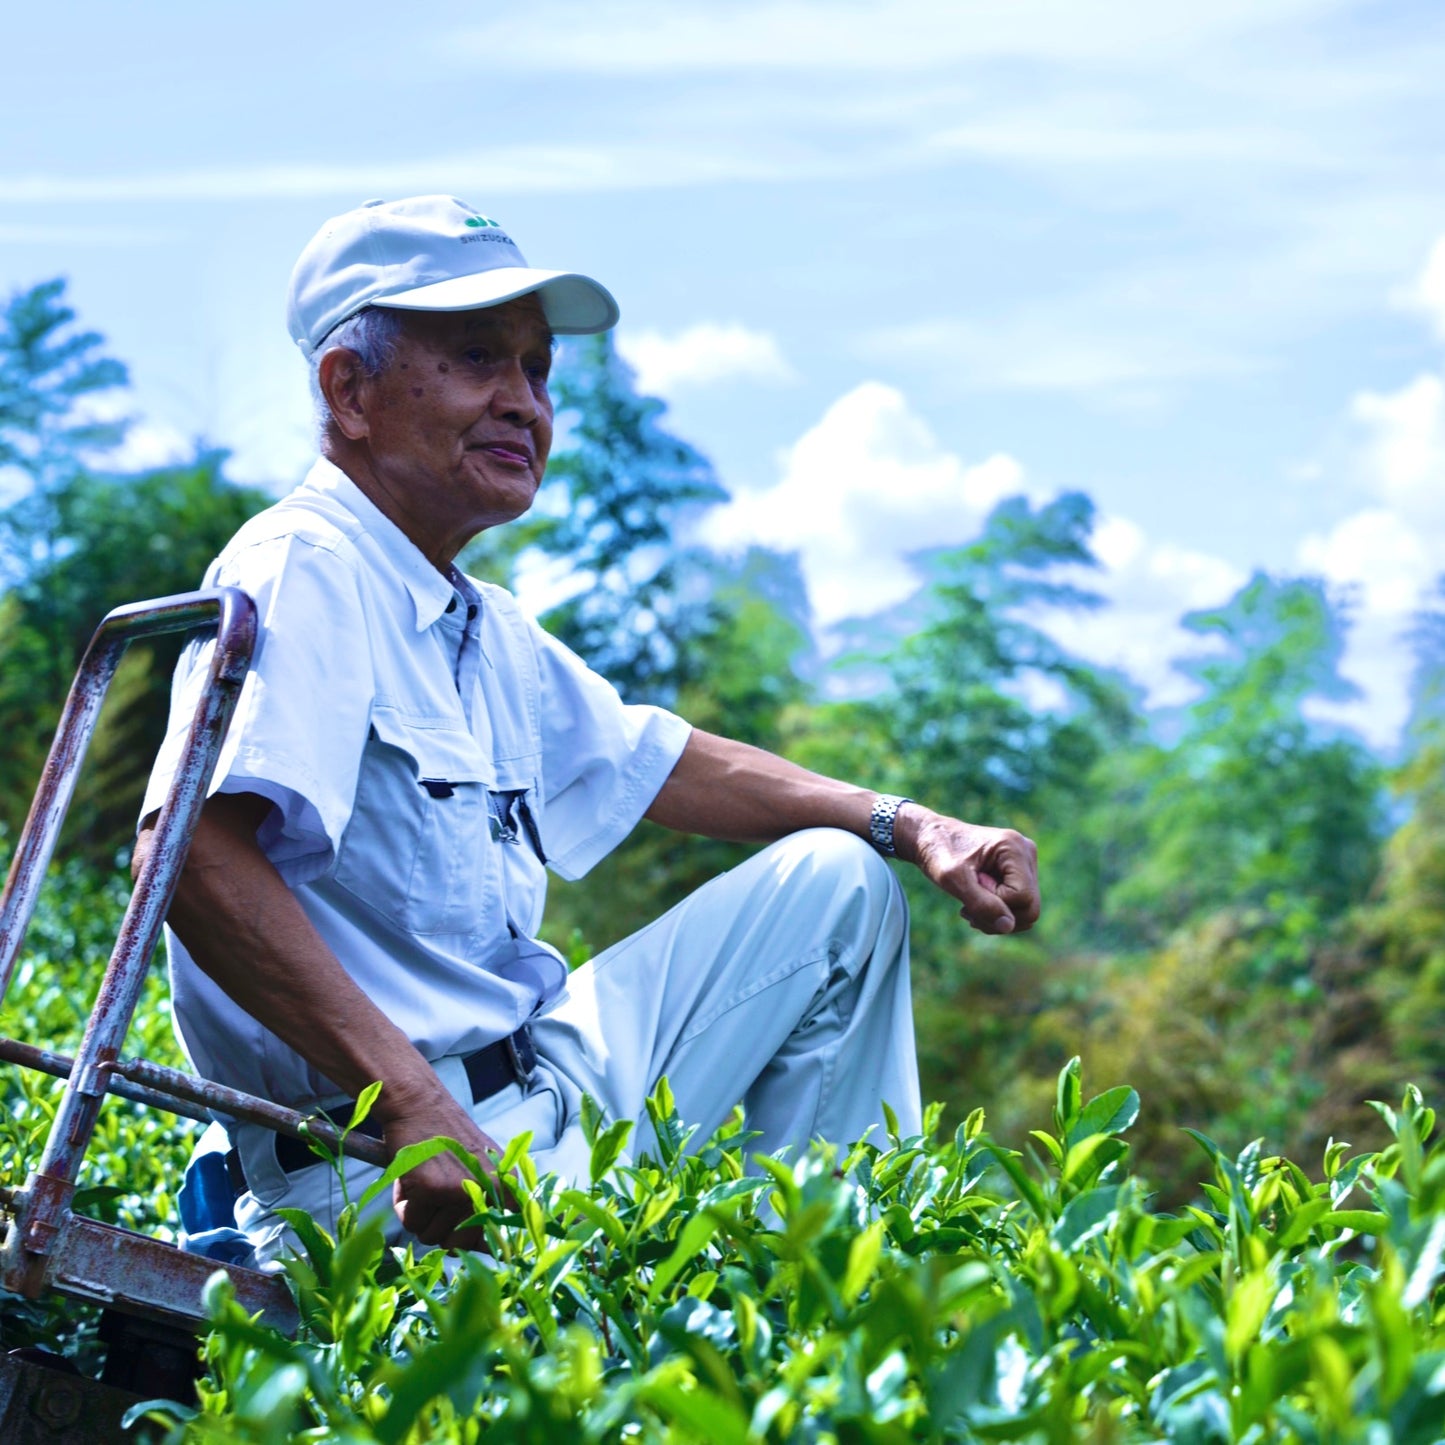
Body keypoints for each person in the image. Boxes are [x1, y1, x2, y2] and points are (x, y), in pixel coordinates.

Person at [135, 195, 1040, 1264]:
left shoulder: (473, 616)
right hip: (396, 1161)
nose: (523, 403)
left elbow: (665, 761)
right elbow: (188, 852)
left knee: (836, 887)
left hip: (540, 1076)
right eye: (479, 358)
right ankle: (782, 1336)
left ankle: (797, 1301)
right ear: (350, 389)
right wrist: (410, 1100)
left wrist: (911, 823)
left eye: (536, 368)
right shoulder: (310, 565)